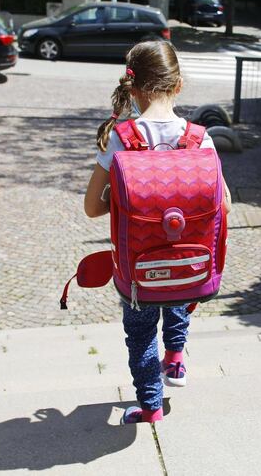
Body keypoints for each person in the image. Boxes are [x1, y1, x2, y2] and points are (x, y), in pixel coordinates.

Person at [84, 40, 232, 424]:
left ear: (132, 88)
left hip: (138, 270)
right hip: (189, 261)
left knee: (140, 334)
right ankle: (177, 359)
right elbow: (225, 204)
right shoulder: (201, 139)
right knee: (178, 294)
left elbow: (92, 208)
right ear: (178, 85)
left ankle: (150, 406)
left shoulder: (122, 139)